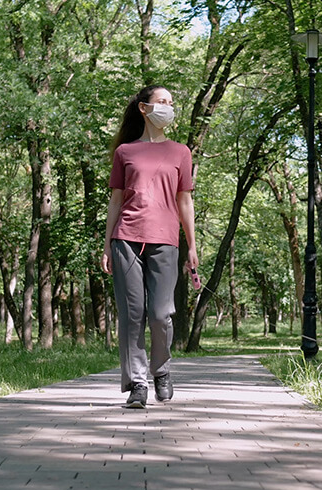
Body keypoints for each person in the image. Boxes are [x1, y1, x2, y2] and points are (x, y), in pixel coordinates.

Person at [101, 85, 198, 409]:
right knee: (132, 316)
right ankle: (137, 384)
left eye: (171, 102)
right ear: (144, 108)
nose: (168, 107)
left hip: (166, 241)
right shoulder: (125, 152)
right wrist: (106, 245)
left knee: (160, 315)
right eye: (162, 102)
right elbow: (116, 201)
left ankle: (162, 370)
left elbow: (185, 201)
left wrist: (193, 246)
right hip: (126, 238)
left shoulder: (181, 152)